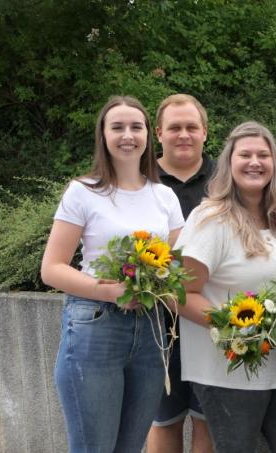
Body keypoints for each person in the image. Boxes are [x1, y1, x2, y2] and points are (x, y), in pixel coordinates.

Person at [40, 95, 185, 452]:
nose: (127, 135)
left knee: (130, 447)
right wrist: (110, 291)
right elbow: (52, 269)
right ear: (103, 135)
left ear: (149, 136)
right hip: (96, 325)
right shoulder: (83, 192)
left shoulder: (164, 196)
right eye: (117, 127)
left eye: (136, 127)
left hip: (152, 331)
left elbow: (178, 267)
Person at [173, 121, 276, 453]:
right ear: (229, 162)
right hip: (229, 370)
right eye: (245, 154)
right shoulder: (211, 219)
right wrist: (236, 327)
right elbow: (179, 293)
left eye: (263, 155)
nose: (255, 162)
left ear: (274, 163)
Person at [146, 93, 216, 453]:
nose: (183, 134)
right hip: (156, 325)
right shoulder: (139, 181)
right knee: (162, 419)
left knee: (209, 421)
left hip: (212, 316)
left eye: (192, 127)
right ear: (158, 132)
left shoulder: (227, 179)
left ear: (205, 131)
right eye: (174, 127)